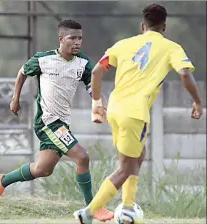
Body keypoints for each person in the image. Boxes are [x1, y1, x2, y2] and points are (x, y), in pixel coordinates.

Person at [74, 4, 203, 224]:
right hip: (135, 113)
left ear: (142, 26)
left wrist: (96, 101)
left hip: (115, 108)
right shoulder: (172, 48)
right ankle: (89, 212)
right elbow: (183, 73)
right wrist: (198, 102)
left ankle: (127, 209)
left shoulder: (123, 44)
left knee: (138, 155)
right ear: (164, 27)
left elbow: (96, 71)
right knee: (126, 168)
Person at [0, 19, 114, 222]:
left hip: (62, 123)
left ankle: (1, 180)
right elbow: (22, 72)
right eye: (72, 38)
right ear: (61, 39)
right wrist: (15, 98)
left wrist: (100, 103)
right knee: (82, 157)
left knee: (43, 169)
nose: (77, 42)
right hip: (48, 122)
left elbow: (91, 86)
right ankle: (93, 208)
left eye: (80, 38)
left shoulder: (83, 62)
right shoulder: (43, 59)